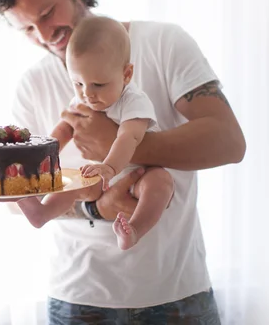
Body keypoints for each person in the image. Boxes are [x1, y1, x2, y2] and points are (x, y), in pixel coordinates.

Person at [0, 0, 245, 323]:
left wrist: (121, 149)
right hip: (79, 296)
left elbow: (229, 142)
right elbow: (17, 192)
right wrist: (95, 208)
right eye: (28, 28)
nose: (44, 35)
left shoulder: (162, 43)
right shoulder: (33, 84)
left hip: (176, 291)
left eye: (47, 12)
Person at [17, 15, 174, 251]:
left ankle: (135, 230)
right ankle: (42, 212)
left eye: (98, 85)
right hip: (100, 176)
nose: (87, 94)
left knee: (161, 183)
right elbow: (64, 129)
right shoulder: (84, 99)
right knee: (71, 182)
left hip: (139, 172)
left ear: (126, 75)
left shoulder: (133, 101)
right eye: (78, 84)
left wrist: (110, 168)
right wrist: (44, 155)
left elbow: (128, 137)